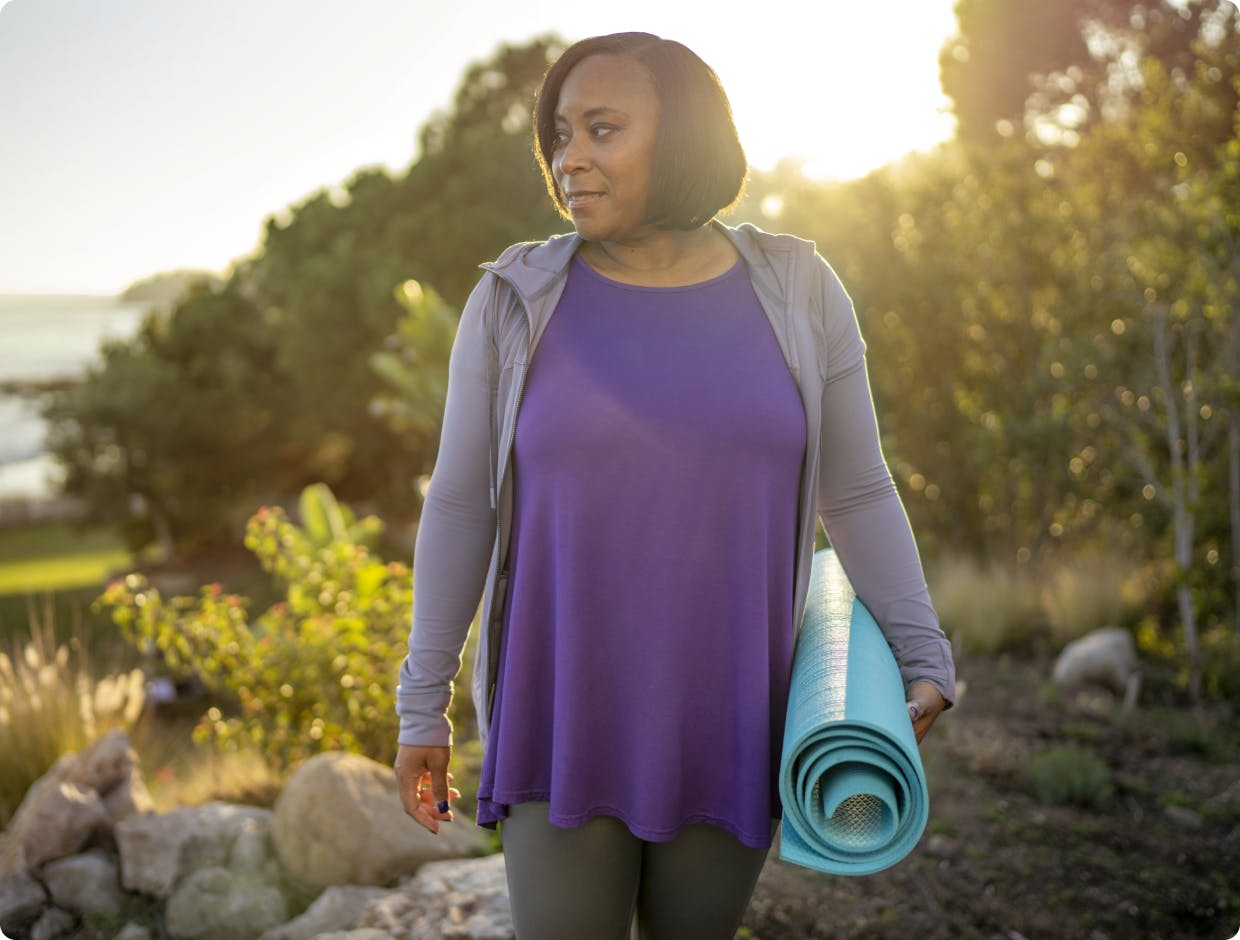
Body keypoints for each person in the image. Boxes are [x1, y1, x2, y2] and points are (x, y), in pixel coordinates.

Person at [393, 31, 957, 940]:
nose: (569, 157)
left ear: (686, 137)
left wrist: (925, 652)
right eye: (560, 135)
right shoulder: (511, 301)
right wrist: (423, 702)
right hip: (559, 718)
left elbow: (855, 492)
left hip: (733, 717)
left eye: (602, 129)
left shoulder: (802, 291)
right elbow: (462, 504)